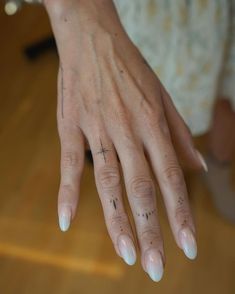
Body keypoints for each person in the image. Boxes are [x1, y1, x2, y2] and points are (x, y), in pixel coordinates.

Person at [28, 0, 235, 282]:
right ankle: (157, 176)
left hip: (217, 11)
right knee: (144, 117)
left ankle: (219, 167)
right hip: (138, 18)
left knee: (225, 99)